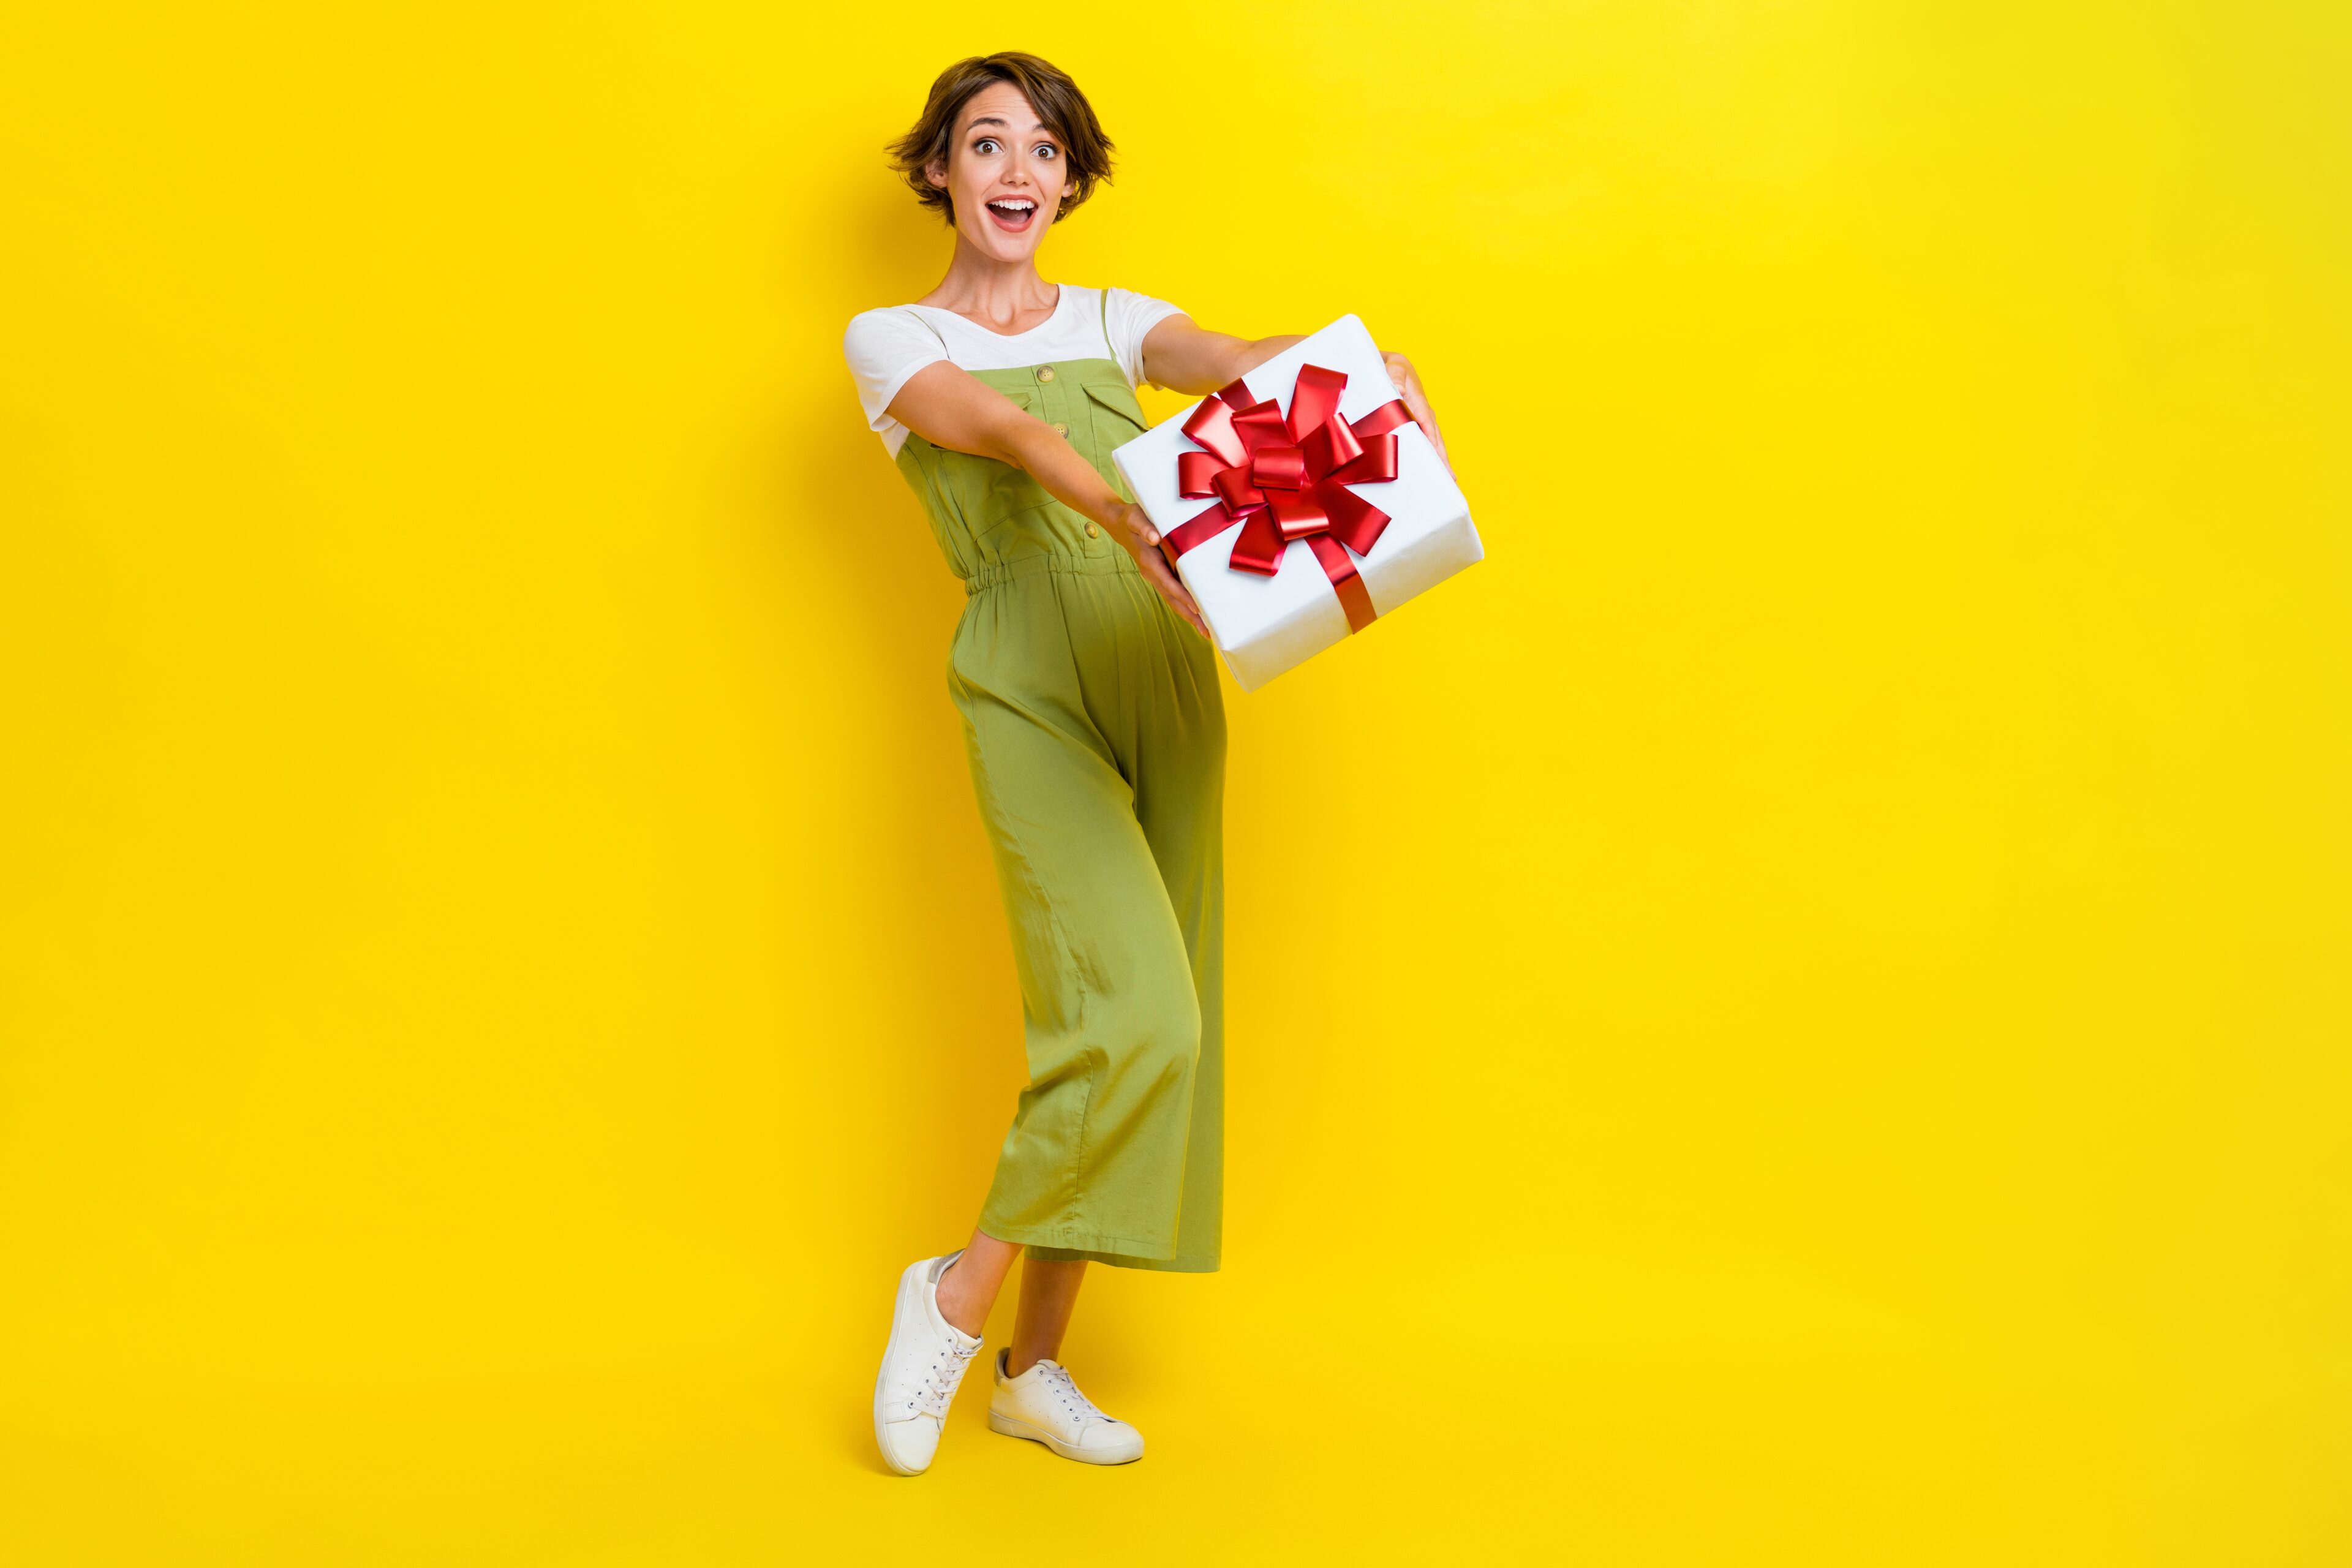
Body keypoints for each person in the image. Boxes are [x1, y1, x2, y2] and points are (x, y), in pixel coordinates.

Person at [841, 51, 1450, 1477]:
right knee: (1129, 1016)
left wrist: (1363, 373)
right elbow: (993, 426)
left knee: (1170, 1037)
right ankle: (953, 1295)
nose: (1015, 173)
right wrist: (1122, 509)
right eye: (985, 145)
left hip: (1171, 669)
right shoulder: (890, 337)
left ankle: (1035, 1372)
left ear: (1069, 180)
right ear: (940, 169)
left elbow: (1242, 366)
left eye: (1043, 151)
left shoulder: (1122, 318)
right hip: (1029, 676)